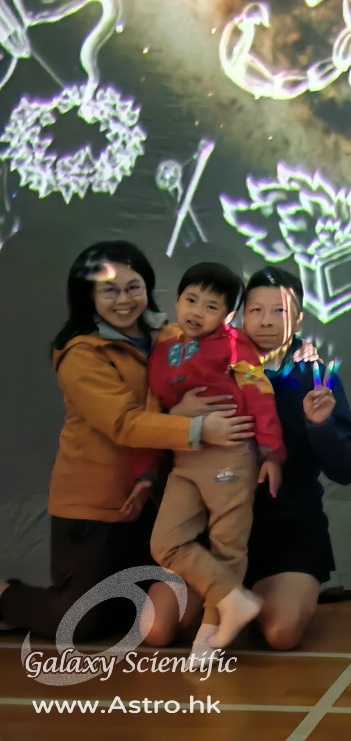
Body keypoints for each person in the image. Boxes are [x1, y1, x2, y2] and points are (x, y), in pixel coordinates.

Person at [0, 242, 251, 645]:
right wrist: (194, 425)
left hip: (157, 500)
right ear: (88, 295)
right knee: (79, 624)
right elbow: (123, 423)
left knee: (135, 612)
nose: (124, 300)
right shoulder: (81, 352)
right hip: (98, 504)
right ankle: (5, 596)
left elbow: (221, 363)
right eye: (109, 290)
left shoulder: (171, 335)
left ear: (147, 287)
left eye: (133, 287)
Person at [132, 262, 284, 655]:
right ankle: (234, 599)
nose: (197, 311)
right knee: (165, 543)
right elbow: (155, 410)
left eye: (211, 306)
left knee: (227, 544)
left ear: (228, 315)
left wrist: (271, 453)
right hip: (185, 459)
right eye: (191, 299)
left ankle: (213, 629)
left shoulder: (236, 346)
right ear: (177, 299)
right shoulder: (164, 347)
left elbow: (260, 398)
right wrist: (147, 470)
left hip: (230, 454)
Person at [239, 267, 351, 649]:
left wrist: (320, 425)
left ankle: (260, 596)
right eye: (255, 310)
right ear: (241, 315)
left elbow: (346, 469)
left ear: (299, 318)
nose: (266, 321)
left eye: (279, 311)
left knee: (282, 632)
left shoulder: (317, 376)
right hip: (218, 521)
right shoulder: (218, 365)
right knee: (162, 625)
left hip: (289, 525)